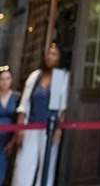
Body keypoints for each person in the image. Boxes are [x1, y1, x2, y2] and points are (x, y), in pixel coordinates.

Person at [12, 44, 68, 186]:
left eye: (54, 54)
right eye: (49, 53)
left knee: (46, 165)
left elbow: (60, 109)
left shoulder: (60, 77)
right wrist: (20, 127)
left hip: (49, 129)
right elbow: (24, 104)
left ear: (59, 58)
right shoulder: (35, 76)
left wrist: (58, 130)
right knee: (24, 163)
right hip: (31, 125)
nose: (50, 57)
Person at [0, 67, 19, 183]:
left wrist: (12, 141)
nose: (5, 82)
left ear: (11, 80)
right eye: (2, 79)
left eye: (7, 79)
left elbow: (19, 120)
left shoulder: (17, 97)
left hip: (7, 141)